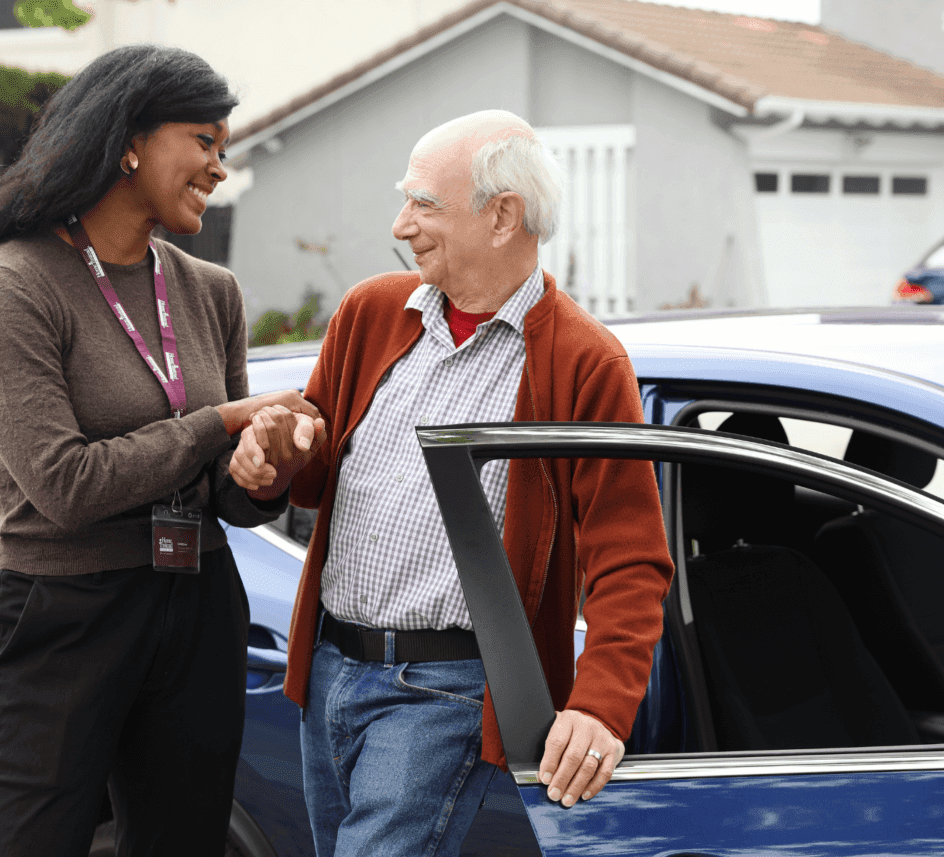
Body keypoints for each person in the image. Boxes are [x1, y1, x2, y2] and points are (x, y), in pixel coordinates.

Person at [230, 110, 673, 857]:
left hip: (445, 691)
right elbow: (318, 465)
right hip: (327, 670)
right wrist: (275, 459)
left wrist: (600, 707)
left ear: (503, 216)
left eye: (424, 203)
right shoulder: (371, 312)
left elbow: (630, 560)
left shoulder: (584, 361)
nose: (401, 223)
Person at [0, 45, 324, 857]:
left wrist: (264, 468)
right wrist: (218, 424)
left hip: (197, 600)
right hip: (62, 609)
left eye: (225, 145)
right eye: (205, 140)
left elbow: (226, 491)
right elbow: (64, 484)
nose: (221, 165)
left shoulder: (211, 290)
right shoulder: (20, 282)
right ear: (129, 141)